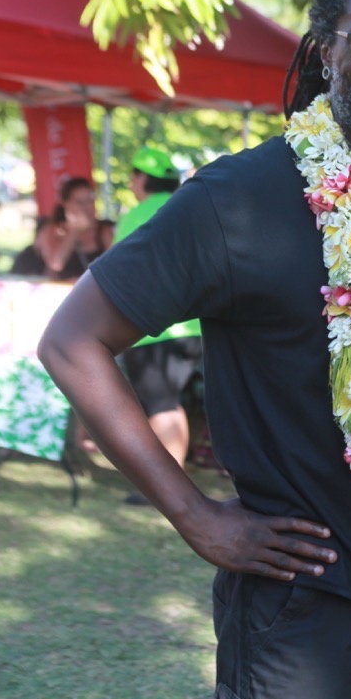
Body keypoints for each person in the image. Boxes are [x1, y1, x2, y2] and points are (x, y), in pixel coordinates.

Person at [38, 0, 351, 699]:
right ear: (324, 49)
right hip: (296, 604)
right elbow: (72, 341)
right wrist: (194, 515)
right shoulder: (238, 198)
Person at [112, 146, 204, 505]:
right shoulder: (188, 206)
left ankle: (165, 489)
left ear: (142, 178)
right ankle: (172, 479)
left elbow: (118, 274)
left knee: (161, 405)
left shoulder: (135, 216)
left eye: (133, 176)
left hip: (154, 329)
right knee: (169, 403)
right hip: (193, 329)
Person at [19, 177, 112, 280]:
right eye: (80, 202)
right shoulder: (52, 230)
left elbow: (113, 265)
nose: (87, 207)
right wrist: (74, 231)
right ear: (66, 205)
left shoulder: (104, 231)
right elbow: (55, 264)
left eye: (90, 201)